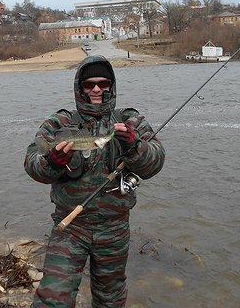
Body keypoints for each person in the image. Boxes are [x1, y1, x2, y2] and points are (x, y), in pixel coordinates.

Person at [24, 55, 165, 307]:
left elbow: (156, 162)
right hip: (70, 226)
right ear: (80, 88)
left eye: (103, 83)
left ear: (111, 85)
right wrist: (52, 162)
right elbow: (32, 164)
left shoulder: (131, 120)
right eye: (89, 84)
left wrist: (134, 147)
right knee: (52, 299)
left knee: (110, 298)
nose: (97, 89)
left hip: (115, 228)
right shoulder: (60, 123)